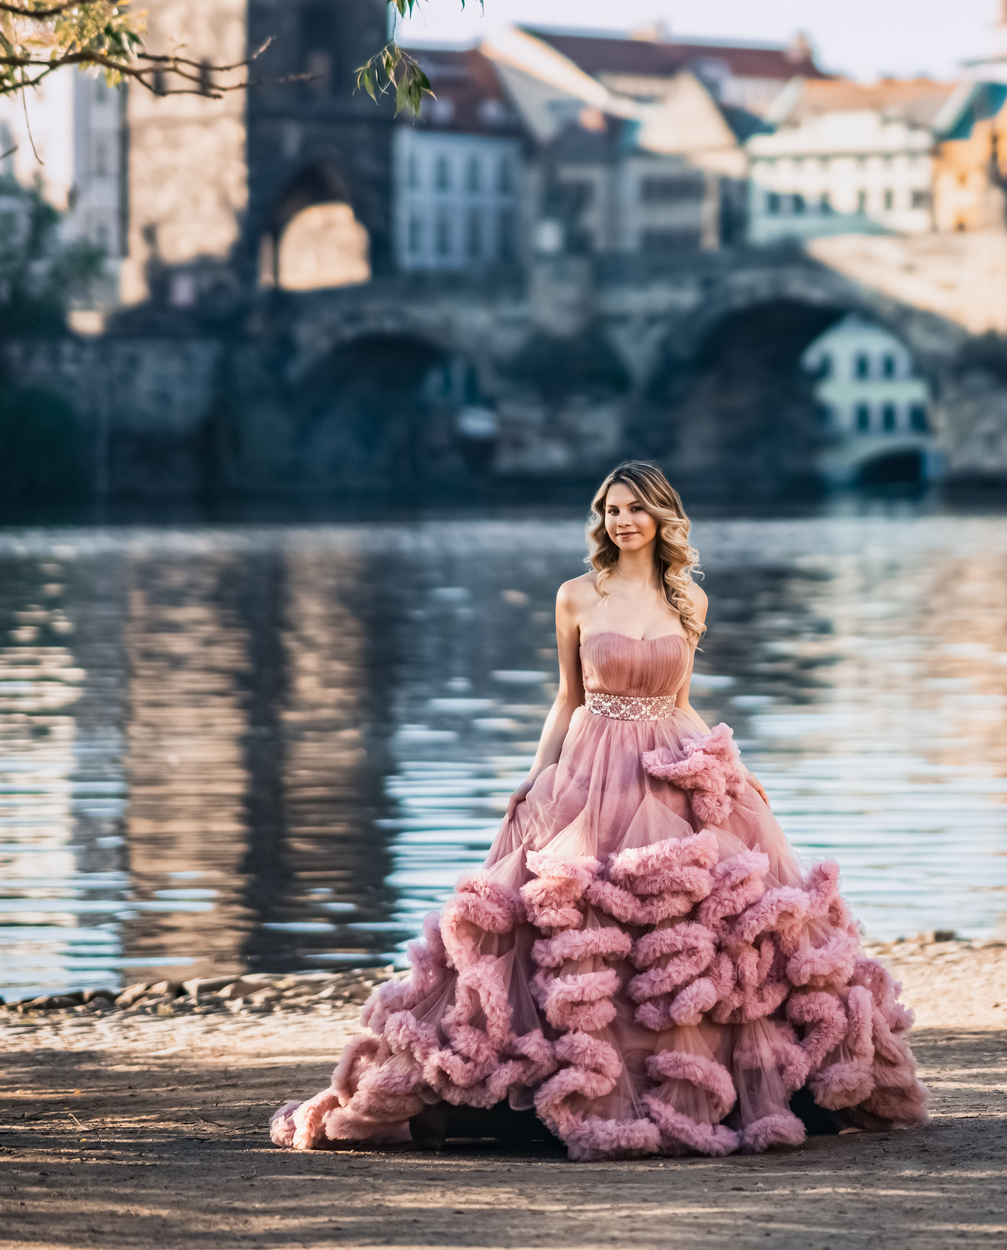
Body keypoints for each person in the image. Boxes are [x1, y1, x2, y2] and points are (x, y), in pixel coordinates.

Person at [270, 461, 927, 1160]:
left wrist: (731, 761)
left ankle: (715, 1079)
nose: (622, 520)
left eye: (636, 509)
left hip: (669, 757)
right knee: (575, 909)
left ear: (661, 518)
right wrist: (535, 776)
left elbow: (676, 702)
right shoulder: (577, 596)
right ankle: (562, 1078)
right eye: (611, 509)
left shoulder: (688, 601)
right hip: (593, 764)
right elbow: (567, 698)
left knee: (703, 915)